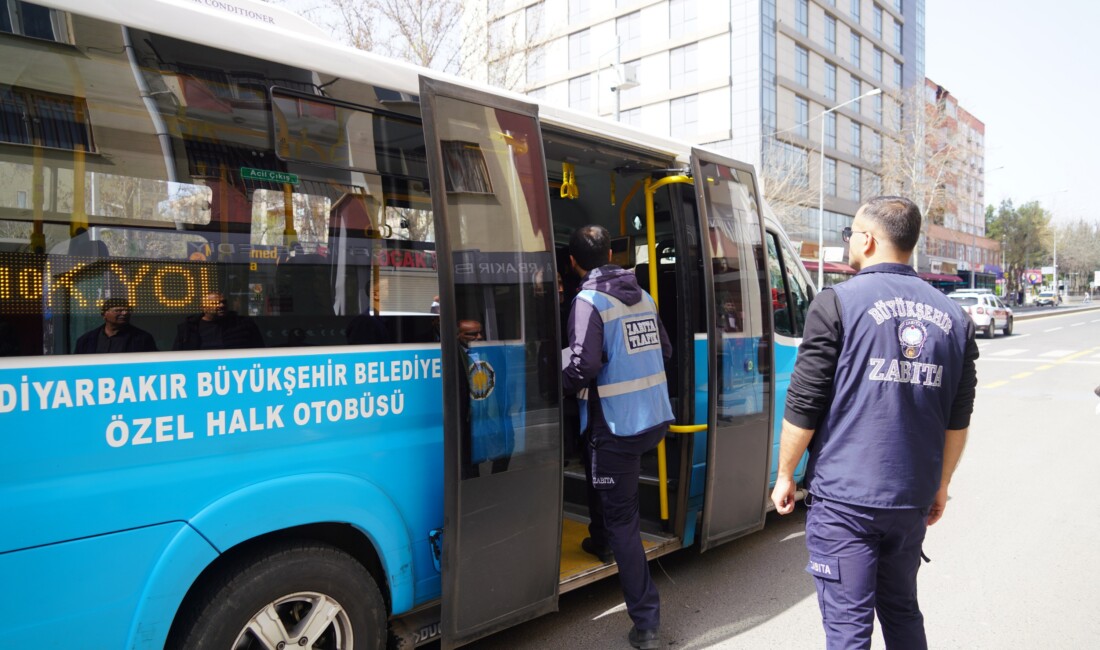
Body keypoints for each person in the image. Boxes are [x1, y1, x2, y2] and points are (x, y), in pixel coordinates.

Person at [770, 196, 979, 650]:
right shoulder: (956, 319)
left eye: (849, 235)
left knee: (848, 631)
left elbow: (804, 404)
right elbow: (957, 419)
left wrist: (785, 474)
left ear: (866, 240)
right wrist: (940, 483)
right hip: (910, 500)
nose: (848, 243)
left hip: (846, 501)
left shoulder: (837, 303)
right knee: (902, 612)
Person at [561, 225, 673, 650]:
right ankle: (599, 537)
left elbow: (581, 368)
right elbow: (663, 350)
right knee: (600, 476)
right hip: (654, 420)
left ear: (573, 263)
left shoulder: (587, 301)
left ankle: (646, 622)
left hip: (619, 426)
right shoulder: (644, 296)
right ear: (611, 252)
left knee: (623, 520)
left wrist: (554, 378)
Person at [458, 319, 513, 476]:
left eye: (480, 332)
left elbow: (502, 380)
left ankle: (497, 483)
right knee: (470, 459)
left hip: (493, 411)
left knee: (504, 449)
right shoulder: (451, 355)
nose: (479, 336)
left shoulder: (492, 351)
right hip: (468, 417)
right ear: (458, 335)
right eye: (472, 334)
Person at [172, 292, 264, 350]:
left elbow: (260, 349)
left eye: (223, 302)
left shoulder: (244, 324)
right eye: (215, 303)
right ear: (204, 308)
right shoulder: (188, 328)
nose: (221, 305)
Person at [75, 298, 158, 354]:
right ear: (104, 314)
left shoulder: (142, 338)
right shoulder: (86, 340)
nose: (124, 313)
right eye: (118, 311)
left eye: (127, 310)